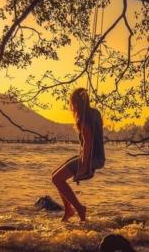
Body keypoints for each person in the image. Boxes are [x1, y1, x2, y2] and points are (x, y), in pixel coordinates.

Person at [51, 88, 105, 222]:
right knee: (55, 176)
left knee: (57, 179)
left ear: (75, 103)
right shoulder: (95, 113)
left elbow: (88, 142)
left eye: (72, 103)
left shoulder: (83, 117)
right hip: (98, 157)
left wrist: (84, 166)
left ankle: (78, 209)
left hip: (92, 158)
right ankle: (69, 210)